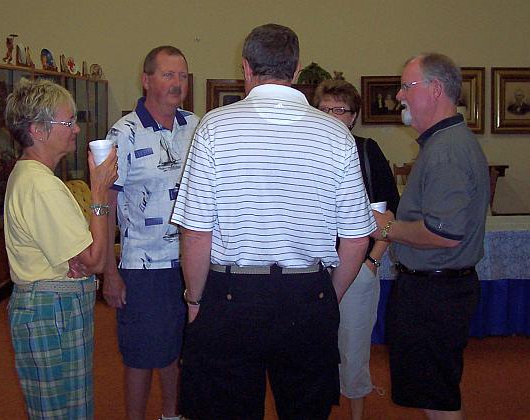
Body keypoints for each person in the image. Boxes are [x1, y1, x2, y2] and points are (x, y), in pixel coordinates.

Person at [171, 23, 376, 420]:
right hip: (308, 293)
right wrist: (326, 297)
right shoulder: (336, 134)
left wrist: (195, 300)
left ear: (246, 68)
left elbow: (196, 234)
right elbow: (356, 239)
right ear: (296, 70)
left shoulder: (214, 127)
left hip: (231, 296)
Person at [373, 53, 489, 420]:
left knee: (437, 397)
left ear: (436, 89)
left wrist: (385, 226)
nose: (399, 96)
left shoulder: (447, 151)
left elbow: (444, 234)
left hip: (435, 294)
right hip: (435, 290)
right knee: (437, 392)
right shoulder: (444, 143)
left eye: (407, 86)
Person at [4, 78, 117, 419]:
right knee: (63, 412)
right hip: (51, 313)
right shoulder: (41, 185)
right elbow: (94, 260)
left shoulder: (34, 178)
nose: (77, 129)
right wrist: (98, 192)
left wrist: (81, 259)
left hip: (52, 308)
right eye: (68, 122)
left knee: (63, 408)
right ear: (38, 129)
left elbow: (78, 259)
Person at [102, 46, 199, 420]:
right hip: (144, 267)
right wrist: (109, 272)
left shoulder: (196, 126)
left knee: (179, 349)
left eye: (183, 75)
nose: (177, 83)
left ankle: (172, 415)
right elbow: (106, 204)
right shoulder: (123, 134)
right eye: (168, 75)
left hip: (191, 262)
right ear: (146, 80)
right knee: (142, 353)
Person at [314, 79, 400, 420]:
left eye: (340, 109)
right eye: (324, 109)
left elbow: (391, 211)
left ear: (353, 116)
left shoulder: (366, 150)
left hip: (358, 269)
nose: (332, 116)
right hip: (310, 270)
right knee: (313, 351)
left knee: (354, 348)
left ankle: (357, 415)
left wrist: (374, 261)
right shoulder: (303, 150)